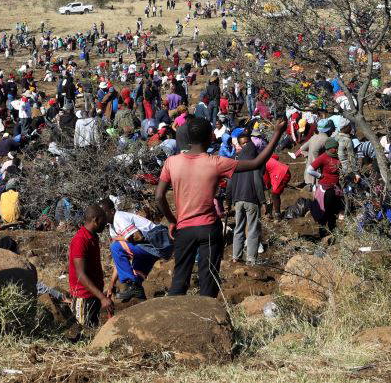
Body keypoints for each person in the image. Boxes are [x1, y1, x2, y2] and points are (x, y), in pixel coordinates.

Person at [155, 116, 286, 297]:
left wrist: (172, 221)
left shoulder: (172, 162)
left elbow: (159, 197)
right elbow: (257, 163)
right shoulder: (216, 162)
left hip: (184, 229)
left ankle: (177, 320)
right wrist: (278, 133)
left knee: (179, 280)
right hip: (209, 228)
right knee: (208, 282)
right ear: (210, 137)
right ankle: (207, 320)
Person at [99, 198, 172, 302]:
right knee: (135, 276)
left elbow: (138, 237)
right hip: (147, 249)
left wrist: (118, 239)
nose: (102, 216)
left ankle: (131, 284)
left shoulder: (119, 217)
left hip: (156, 244)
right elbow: (119, 259)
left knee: (115, 246)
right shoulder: (112, 227)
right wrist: (112, 283)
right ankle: (139, 295)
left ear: (111, 211)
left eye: (104, 213)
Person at [68, 204, 112, 328]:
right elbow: (80, 274)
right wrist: (102, 297)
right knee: (83, 332)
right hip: (83, 296)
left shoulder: (93, 237)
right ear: (95, 220)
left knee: (93, 328)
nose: (105, 224)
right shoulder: (80, 240)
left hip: (93, 294)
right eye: (103, 220)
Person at [228, 130, 265, 265]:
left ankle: (235, 257)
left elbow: (230, 183)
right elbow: (257, 181)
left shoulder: (236, 161)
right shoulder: (255, 159)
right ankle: (251, 259)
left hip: (238, 200)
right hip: (252, 199)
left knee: (238, 228)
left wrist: (229, 200)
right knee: (253, 229)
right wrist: (263, 200)